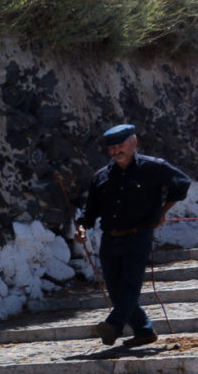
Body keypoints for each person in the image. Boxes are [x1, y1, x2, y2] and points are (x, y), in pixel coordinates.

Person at [74, 124, 191, 347]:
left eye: (121, 145)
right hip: (110, 238)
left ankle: (113, 325)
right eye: (112, 147)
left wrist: (163, 211)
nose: (117, 151)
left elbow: (182, 183)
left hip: (139, 236)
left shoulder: (153, 167)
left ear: (134, 142)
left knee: (130, 285)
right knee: (115, 289)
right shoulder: (100, 177)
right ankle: (144, 330)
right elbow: (90, 211)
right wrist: (82, 228)